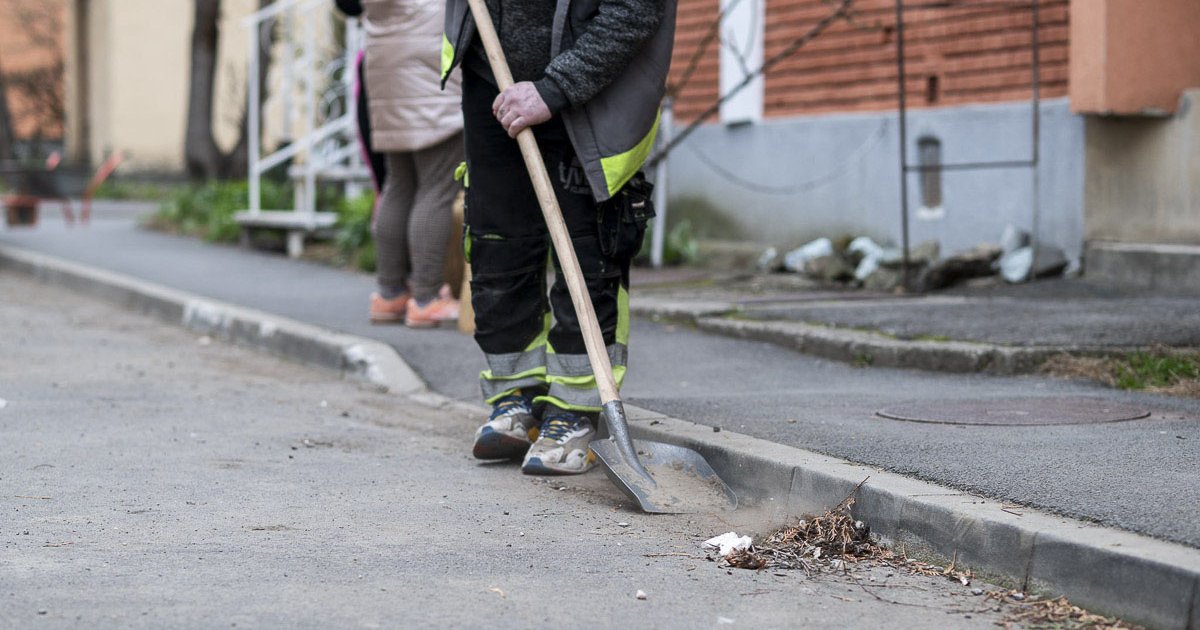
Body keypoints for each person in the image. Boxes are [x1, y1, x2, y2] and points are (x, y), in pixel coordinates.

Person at [440, 0, 676, 473]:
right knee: (498, 246)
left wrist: (557, 88)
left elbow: (633, 9)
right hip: (494, 78)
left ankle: (573, 411)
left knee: (588, 253)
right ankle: (514, 400)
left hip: (591, 91)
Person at [361, 0, 464, 327]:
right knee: (437, 187)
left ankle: (389, 294)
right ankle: (427, 297)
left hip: (386, 68)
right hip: (429, 67)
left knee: (399, 183)